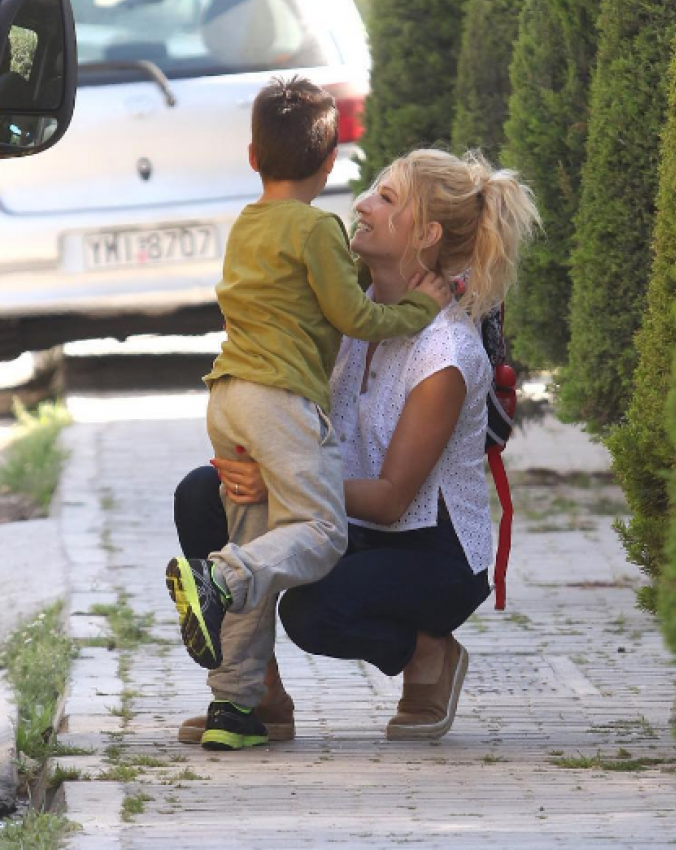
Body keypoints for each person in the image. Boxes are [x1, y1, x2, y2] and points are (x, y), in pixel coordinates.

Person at [173, 147, 540, 745]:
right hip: (342, 518)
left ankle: (429, 654)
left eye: (386, 199)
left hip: (430, 550)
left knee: (316, 613)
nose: (362, 205)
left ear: (427, 234)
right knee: (203, 495)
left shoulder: (446, 353)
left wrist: (279, 481)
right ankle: (252, 695)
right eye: (371, 191)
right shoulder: (346, 312)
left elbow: (394, 500)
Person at [164, 77, 449, 751]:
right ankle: (218, 579)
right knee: (318, 533)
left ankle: (235, 707)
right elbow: (355, 317)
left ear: (252, 157)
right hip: (279, 398)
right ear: (329, 161)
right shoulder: (318, 227)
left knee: (256, 538)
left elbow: (300, 292)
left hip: (227, 395)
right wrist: (422, 306)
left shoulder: (247, 222)